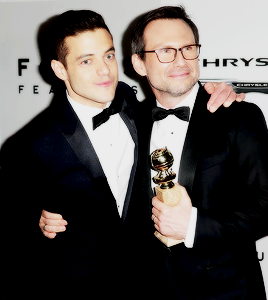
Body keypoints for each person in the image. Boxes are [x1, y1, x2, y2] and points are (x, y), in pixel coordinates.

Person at [3, 8, 242, 300]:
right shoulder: (29, 145)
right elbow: (14, 239)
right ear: (60, 70)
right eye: (86, 60)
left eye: (108, 55)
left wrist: (221, 91)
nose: (104, 70)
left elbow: (182, 95)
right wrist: (37, 222)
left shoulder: (131, 104)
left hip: (151, 288)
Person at [130, 5, 268, 299]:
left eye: (187, 48)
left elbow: (266, 207)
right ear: (140, 64)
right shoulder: (126, 123)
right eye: (165, 51)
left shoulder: (239, 116)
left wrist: (192, 225)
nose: (180, 60)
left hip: (225, 293)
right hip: (149, 291)